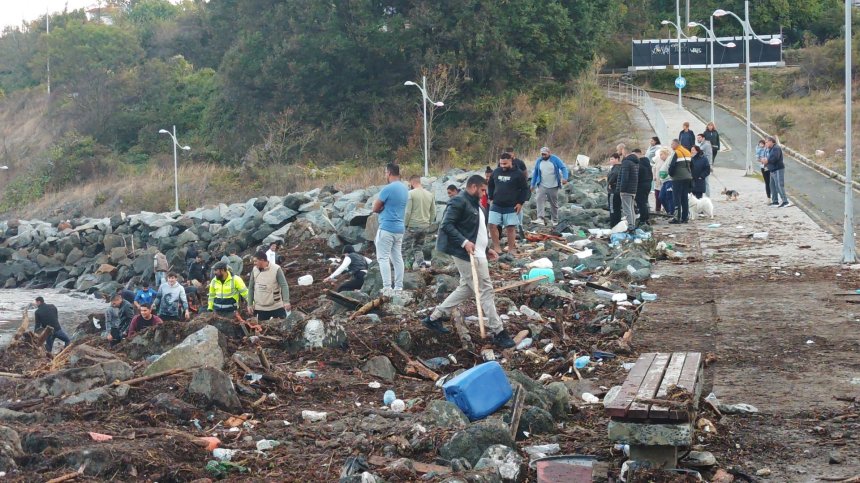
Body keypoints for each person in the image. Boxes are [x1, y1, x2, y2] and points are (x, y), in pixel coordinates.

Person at [419, 175, 515, 349]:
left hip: (478, 253)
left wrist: (486, 249)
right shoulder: (458, 202)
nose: (485, 193)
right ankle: (498, 331)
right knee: (485, 289)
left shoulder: (476, 204)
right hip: (465, 254)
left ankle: (434, 317)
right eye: (482, 189)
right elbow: (447, 225)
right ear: (473, 187)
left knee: (467, 288)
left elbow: (476, 231)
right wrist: (464, 242)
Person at [372, 163, 408, 296]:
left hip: (387, 227)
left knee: (383, 258)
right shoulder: (405, 189)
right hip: (399, 228)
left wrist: (381, 208)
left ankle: (387, 287)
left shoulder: (388, 189)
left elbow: (375, 208)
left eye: (385, 173)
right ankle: (399, 286)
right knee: (397, 258)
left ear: (388, 173)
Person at [488, 152, 529, 254]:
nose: (503, 166)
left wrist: (520, 203)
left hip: (511, 205)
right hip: (497, 204)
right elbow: (491, 185)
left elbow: (524, 189)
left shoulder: (518, 173)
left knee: (510, 228)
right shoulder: (496, 172)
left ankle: (511, 249)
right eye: (501, 163)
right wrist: (491, 197)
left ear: (511, 161)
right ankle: (497, 248)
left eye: (505, 164)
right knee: (492, 225)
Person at [530, 146, 570, 226]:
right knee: (539, 199)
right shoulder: (539, 161)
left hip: (553, 185)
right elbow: (535, 174)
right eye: (542, 154)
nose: (543, 156)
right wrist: (532, 184)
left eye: (545, 154)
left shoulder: (555, 159)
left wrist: (565, 178)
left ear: (549, 153)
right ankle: (540, 218)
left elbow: (563, 168)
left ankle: (554, 220)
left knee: (553, 203)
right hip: (542, 184)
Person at [247, 250, 292, 320]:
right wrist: (249, 304)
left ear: (262, 260)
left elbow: (284, 285)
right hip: (260, 308)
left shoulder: (276, 269)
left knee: (281, 328)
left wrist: (286, 301)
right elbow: (251, 287)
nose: (254, 263)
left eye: (256, 261)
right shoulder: (254, 270)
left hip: (276, 307)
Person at [403, 175, 436, 270]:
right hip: (425, 226)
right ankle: (422, 266)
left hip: (412, 225)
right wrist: (428, 223)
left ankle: (404, 269)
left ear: (412, 182)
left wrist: (405, 224)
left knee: (404, 248)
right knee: (418, 247)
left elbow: (408, 211)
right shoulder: (430, 194)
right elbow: (433, 212)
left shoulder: (411, 193)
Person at [668, 139, 693, 224]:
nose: (671, 146)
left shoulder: (677, 153)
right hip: (687, 177)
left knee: (676, 198)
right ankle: (685, 217)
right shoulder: (687, 152)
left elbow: (672, 166)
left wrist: (671, 175)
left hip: (678, 178)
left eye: (672, 144)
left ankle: (677, 217)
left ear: (676, 144)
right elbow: (692, 165)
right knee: (684, 197)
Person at [617, 144, 640, 232]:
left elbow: (624, 177)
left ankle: (631, 226)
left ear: (623, 150)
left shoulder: (626, 162)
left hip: (626, 190)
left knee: (627, 209)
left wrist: (622, 189)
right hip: (633, 189)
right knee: (631, 208)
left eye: (619, 150)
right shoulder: (635, 161)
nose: (618, 152)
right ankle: (633, 224)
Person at [764, 136, 789, 207]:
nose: (765, 144)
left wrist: (767, 161)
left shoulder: (776, 148)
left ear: (771, 142)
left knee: (779, 185)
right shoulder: (770, 149)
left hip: (778, 169)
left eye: (766, 142)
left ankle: (785, 201)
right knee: (772, 185)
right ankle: (775, 201)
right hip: (772, 170)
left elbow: (775, 158)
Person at [633, 148, 653, 227]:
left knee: (641, 202)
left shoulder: (639, 164)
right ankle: (645, 218)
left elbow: (637, 175)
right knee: (644, 202)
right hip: (648, 184)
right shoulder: (647, 163)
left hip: (641, 185)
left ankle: (643, 219)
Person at [655, 147, 675, 215]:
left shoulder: (669, 159)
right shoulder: (663, 161)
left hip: (669, 181)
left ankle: (672, 212)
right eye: (660, 155)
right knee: (661, 197)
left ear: (666, 154)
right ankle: (668, 211)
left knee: (670, 196)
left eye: (662, 154)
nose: (660, 156)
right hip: (664, 182)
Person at [607, 153, 623, 227]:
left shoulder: (616, 168)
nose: (610, 161)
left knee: (612, 208)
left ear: (617, 159)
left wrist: (610, 182)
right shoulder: (620, 167)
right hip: (618, 191)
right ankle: (617, 223)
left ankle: (613, 224)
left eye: (612, 159)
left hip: (613, 191)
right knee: (617, 208)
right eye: (610, 159)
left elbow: (614, 175)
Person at [696, 133, 714, 197]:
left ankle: (708, 197)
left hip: (706, 166)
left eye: (699, 138)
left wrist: (710, 165)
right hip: (701, 165)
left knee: (706, 182)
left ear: (703, 138)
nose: (698, 139)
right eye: (697, 138)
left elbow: (709, 155)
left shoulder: (707, 145)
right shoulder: (700, 145)